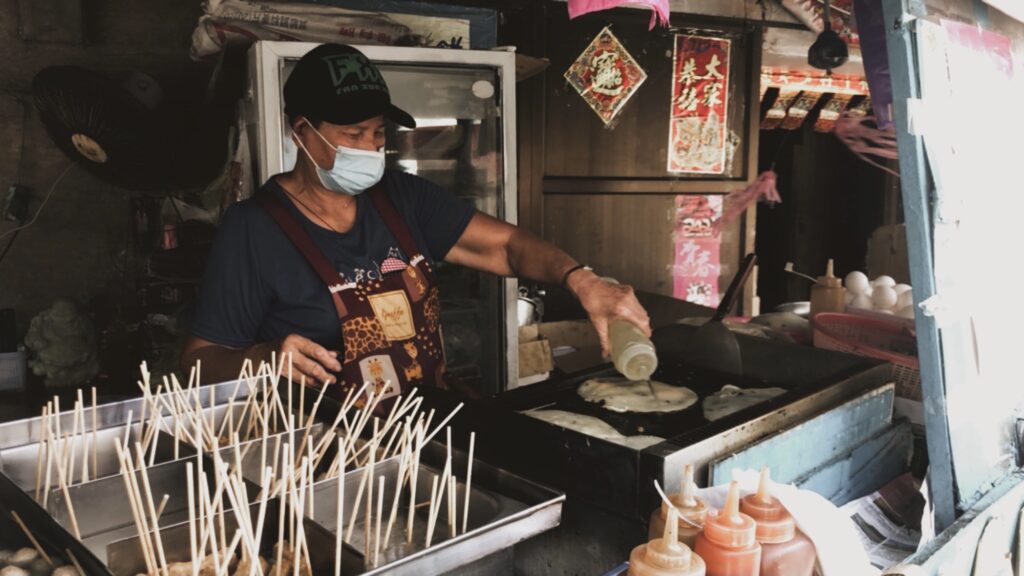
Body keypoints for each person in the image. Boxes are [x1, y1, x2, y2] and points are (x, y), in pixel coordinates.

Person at [182, 43, 650, 400]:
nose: (369, 148)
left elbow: (506, 247)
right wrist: (262, 358)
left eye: (378, 132)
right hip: (326, 458)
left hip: (425, 437)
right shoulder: (254, 229)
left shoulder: (400, 197)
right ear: (300, 130)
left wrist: (582, 279)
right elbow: (198, 364)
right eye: (352, 133)